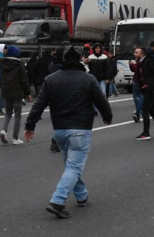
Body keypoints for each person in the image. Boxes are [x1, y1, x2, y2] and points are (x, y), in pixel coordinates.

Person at [24, 46, 113, 218]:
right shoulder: (88, 79)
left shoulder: (51, 79)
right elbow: (101, 100)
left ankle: (81, 196)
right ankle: (57, 201)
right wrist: (107, 116)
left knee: (71, 166)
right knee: (74, 166)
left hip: (59, 130)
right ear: (80, 59)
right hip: (80, 128)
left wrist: (30, 126)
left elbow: (38, 105)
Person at [0, 45, 32, 145]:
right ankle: (15, 138)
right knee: (17, 115)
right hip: (17, 91)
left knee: (8, 112)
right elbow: (24, 80)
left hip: (6, 91)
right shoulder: (19, 64)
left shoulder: (2, 63)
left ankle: (3, 130)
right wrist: (28, 93)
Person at [129, 46, 146, 122]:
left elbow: (137, 70)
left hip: (140, 81)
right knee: (137, 96)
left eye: (136, 53)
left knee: (140, 96)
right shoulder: (138, 60)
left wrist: (132, 65)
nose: (134, 54)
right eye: (135, 52)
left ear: (141, 54)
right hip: (136, 80)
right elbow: (134, 70)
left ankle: (138, 112)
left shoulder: (142, 61)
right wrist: (131, 65)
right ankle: (138, 111)